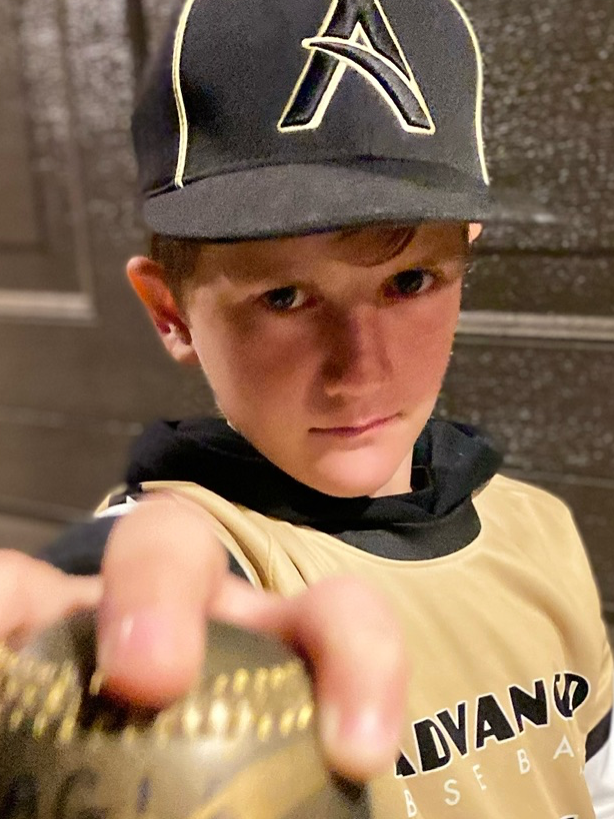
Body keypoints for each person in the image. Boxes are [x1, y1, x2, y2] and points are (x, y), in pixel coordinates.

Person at [7, 0, 614, 814]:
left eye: (409, 281)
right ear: (171, 312)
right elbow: (143, 578)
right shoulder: (221, 564)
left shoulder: (536, 528)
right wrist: (80, 650)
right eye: (285, 296)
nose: (358, 370)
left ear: (465, 253)